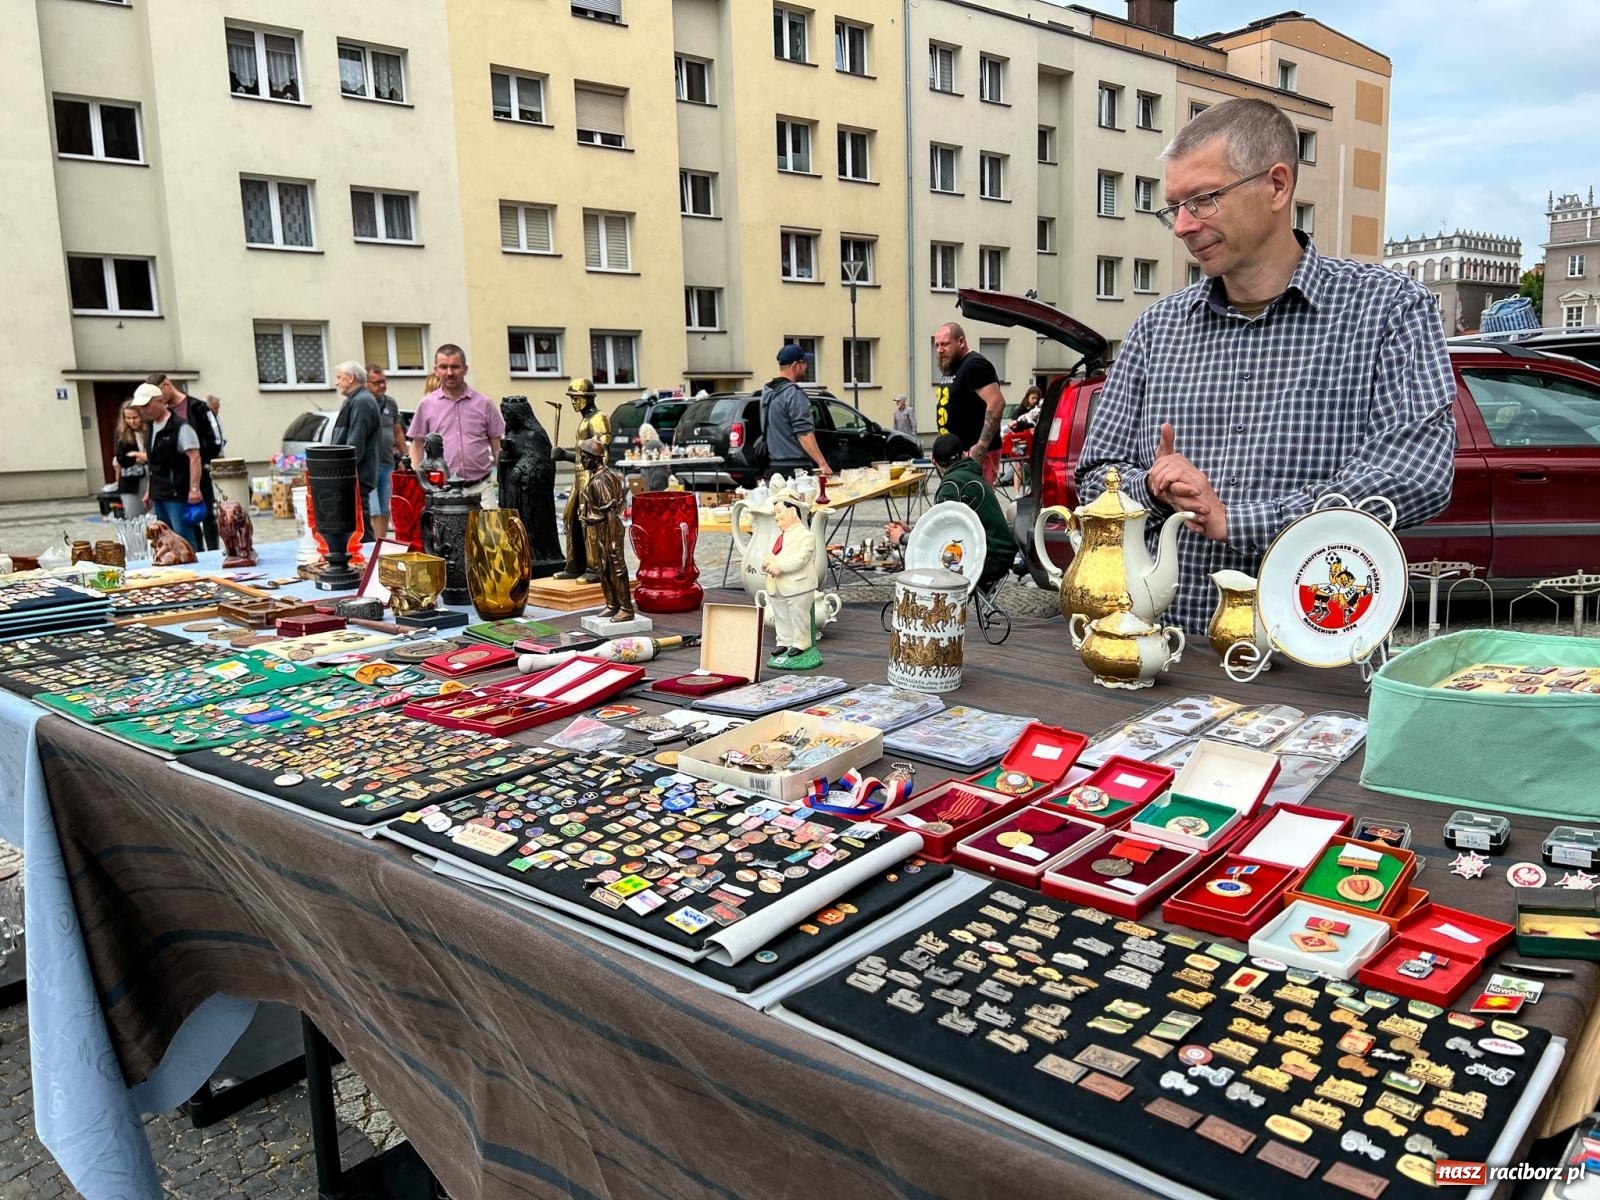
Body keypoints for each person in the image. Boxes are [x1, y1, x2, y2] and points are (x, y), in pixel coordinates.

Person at [1073, 98, 1455, 635]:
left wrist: (1237, 520)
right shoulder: (1156, 329)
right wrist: (1157, 492)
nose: (1182, 226)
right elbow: (1094, 479)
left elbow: (1415, 474)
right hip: (1170, 649)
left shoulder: (1388, 309)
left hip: (1314, 652)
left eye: (1202, 200)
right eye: (1173, 207)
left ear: (1277, 186)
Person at [885, 433, 1018, 590]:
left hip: (989, 560)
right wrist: (915, 531)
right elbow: (948, 531)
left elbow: (943, 542)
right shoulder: (971, 475)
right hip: (1001, 553)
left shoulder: (950, 486)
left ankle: (935, 611)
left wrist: (902, 537)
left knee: (932, 569)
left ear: (934, 461)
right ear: (963, 454)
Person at [407, 344, 504, 496]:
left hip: (481, 490)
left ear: (465, 369)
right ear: (436, 370)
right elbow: (417, 445)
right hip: (441, 490)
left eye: (455, 367)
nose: (449, 372)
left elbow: (497, 446)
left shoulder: (484, 403)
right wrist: (416, 481)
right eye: (444, 367)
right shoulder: (426, 404)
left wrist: (506, 479)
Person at [146, 372, 223, 549]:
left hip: (199, 471)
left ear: (167, 385)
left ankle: (212, 552)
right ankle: (195, 551)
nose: (159, 400)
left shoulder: (198, 407)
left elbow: (216, 440)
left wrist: (203, 462)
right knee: (188, 521)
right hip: (177, 480)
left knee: (207, 516)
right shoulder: (162, 414)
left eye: (158, 395)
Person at [932, 323, 1007, 484]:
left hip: (973, 456)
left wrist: (981, 447)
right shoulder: (952, 366)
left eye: (945, 344)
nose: (939, 349)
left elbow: (997, 402)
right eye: (936, 345)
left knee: (975, 503)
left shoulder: (974, 365)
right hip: (955, 455)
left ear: (961, 342)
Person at [553, 378, 612, 581]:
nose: (573, 402)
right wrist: (564, 455)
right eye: (572, 398)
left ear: (588, 398)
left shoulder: (598, 418)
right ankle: (574, 564)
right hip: (579, 475)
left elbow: (602, 451)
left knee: (588, 518)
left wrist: (596, 478)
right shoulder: (584, 420)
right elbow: (580, 457)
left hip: (589, 475)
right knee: (570, 516)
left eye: (577, 398)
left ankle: (594, 568)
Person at [132, 383, 203, 548]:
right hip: (159, 492)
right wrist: (150, 490)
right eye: (140, 407)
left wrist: (194, 488)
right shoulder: (150, 427)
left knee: (183, 536)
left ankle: (194, 567)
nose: (143, 411)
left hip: (177, 492)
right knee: (164, 537)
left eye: (146, 406)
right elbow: (153, 464)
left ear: (160, 401)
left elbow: (195, 457)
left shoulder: (180, 426)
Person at [578, 438, 633, 621]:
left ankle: (626, 608)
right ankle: (612, 604)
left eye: (585, 457)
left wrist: (612, 542)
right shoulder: (605, 474)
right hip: (605, 527)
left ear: (595, 458)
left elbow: (609, 511)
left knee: (615, 567)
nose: (582, 461)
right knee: (603, 567)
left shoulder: (599, 481)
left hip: (608, 528)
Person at [762, 495, 820, 668]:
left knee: (798, 615)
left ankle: (801, 643)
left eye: (779, 512)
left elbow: (800, 559)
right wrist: (766, 561)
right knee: (781, 614)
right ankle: (784, 641)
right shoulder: (781, 536)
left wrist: (780, 566)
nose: (776, 516)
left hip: (798, 585)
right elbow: (774, 553)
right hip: (777, 585)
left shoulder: (806, 536)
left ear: (793, 512)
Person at [761, 344, 830, 480]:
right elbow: (804, 433)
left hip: (775, 468)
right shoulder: (794, 394)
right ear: (795, 365)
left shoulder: (767, 393)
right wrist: (822, 464)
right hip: (796, 469)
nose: (806, 367)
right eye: (804, 363)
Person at [332, 361, 384, 538]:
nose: (336, 382)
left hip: (355, 475)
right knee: (355, 523)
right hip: (352, 475)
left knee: (359, 526)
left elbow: (355, 445)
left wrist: (342, 471)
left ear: (351, 377)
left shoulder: (361, 401)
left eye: (339, 377)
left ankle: (367, 560)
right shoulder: (357, 400)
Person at [366, 364, 403, 538]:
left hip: (387, 464)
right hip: (368, 466)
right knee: (372, 509)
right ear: (366, 383)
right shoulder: (362, 403)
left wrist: (405, 457)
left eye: (384, 381)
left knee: (384, 508)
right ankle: (373, 546)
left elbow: (397, 431)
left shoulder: (390, 403)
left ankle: (380, 542)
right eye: (376, 382)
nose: (382, 385)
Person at [112, 402, 149, 518]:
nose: (132, 421)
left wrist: (136, 454)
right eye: (128, 418)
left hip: (152, 477)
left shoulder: (150, 430)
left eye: (135, 417)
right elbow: (121, 458)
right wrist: (141, 457)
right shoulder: (121, 433)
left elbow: (155, 455)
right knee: (134, 517)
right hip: (130, 481)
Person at [636, 421, 670, 491]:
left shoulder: (651, 444)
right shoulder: (656, 442)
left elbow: (645, 461)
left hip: (654, 479)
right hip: (659, 476)